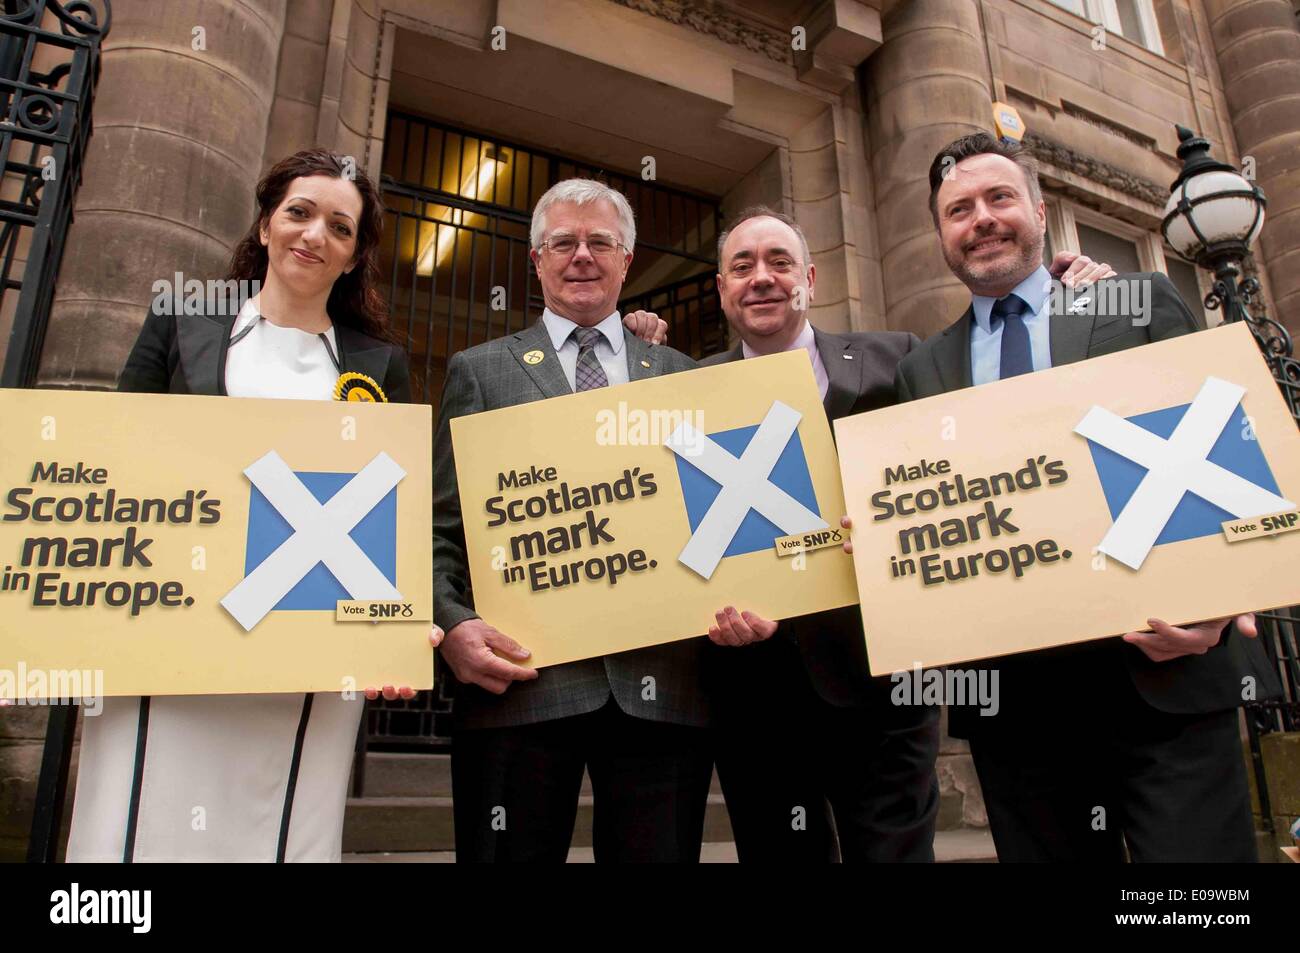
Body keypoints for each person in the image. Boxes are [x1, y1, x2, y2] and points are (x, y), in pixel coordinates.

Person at [890, 132, 1280, 862]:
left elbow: (1224, 447)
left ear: (1039, 211)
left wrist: (1224, 606)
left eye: (999, 198)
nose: (981, 218)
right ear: (941, 234)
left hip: (1164, 671)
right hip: (1018, 708)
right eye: (958, 209)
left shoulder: (1135, 304)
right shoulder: (922, 371)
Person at [64, 149, 440, 862]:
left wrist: (396, 627)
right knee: (137, 822)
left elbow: (394, 504)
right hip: (172, 632)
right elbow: (114, 459)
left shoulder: (377, 362)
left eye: (340, 226)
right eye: (299, 212)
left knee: (280, 824)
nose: (314, 234)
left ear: (354, 255)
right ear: (266, 225)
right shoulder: (184, 320)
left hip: (308, 651)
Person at [703, 206, 1112, 862]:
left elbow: (996, 439)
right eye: (742, 266)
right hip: (755, 697)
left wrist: (1072, 300)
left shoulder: (898, 358)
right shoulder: (683, 392)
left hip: (884, 690)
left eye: (780, 262)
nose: (762, 278)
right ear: (721, 287)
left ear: (809, 278)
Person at [432, 178, 773, 863]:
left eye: (600, 242)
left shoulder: (686, 377)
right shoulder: (479, 371)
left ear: (627, 257)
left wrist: (758, 596)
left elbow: (730, 517)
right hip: (519, 686)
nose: (581, 255)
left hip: (664, 689)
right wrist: (452, 624)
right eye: (563, 242)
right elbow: (439, 526)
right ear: (537, 260)